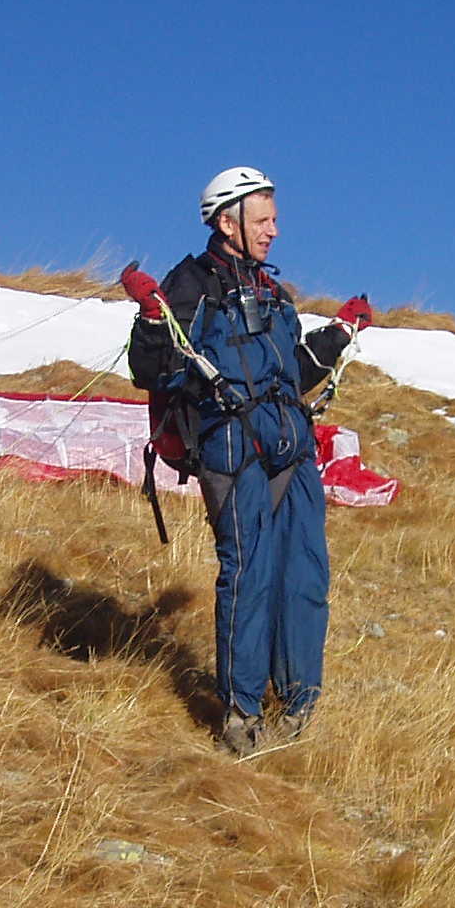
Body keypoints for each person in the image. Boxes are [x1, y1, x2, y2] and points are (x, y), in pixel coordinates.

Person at [123, 168, 372, 755]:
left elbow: (292, 374)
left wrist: (336, 334)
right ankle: (240, 714)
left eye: (275, 219)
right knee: (251, 575)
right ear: (226, 221)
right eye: (264, 220)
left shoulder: (273, 295)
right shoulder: (188, 285)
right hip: (232, 454)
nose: (275, 232)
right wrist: (152, 320)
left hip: (292, 451)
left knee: (306, 577)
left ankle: (299, 705)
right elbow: (149, 372)